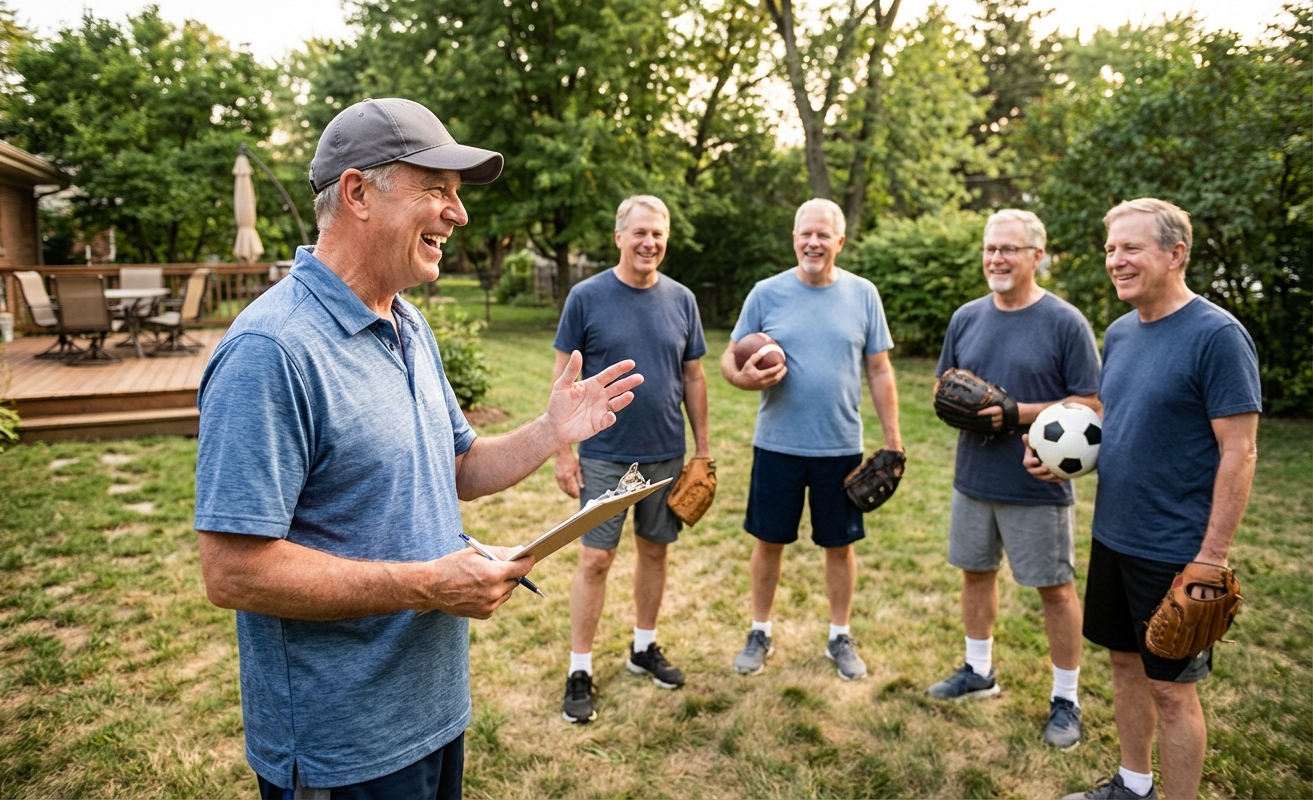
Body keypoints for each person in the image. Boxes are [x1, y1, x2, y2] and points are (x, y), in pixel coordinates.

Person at [194, 98, 643, 800]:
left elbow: (459, 466)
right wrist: (427, 585)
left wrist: (550, 431)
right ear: (357, 193)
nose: (457, 213)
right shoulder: (270, 351)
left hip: (433, 712)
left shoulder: (408, 325)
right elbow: (232, 572)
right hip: (342, 748)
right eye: (436, 189)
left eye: (456, 194)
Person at [1027, 199, 1260, 800]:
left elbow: (1240, 451)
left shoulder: (1217, 337)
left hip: (1176, 551)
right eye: (1111, 249)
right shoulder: (1121, 332)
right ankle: (1133, 786)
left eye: (1131, 248)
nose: (1116, 260)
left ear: (1176, 254)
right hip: (1114, 535)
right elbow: (1122, 423)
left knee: (1172, 691)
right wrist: (1059, 460)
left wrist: (1212, 557)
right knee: (1125, 663)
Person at [928, 210, 1102, 750]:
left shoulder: (1065, 322)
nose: (996, 259)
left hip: (1037, 482)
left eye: (1008, 249)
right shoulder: (966, 317)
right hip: (973, 477)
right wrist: (954, 403)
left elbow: (1093, 402)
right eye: (990, 249)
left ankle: (1066, 698)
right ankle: (978, 671)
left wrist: (1016, 412)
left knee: (1055, 590)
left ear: (1036, 256)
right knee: (975, 574)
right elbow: (942, 385)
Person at [721, 198, 903, 681]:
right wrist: (741, 378)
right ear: (794, 238)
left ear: (839, 241)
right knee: (768, 542)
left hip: (840, 447)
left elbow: (880, 370)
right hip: (776, 445)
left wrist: (893, 440)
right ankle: (759, 630)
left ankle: (840, 635)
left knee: (839, 546)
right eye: (806, 233)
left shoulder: (863, 294)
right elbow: (728, 357)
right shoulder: (766, 293)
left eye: (824, 234)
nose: (813, 242)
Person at [551, 195, 709, 723]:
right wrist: (563, 454)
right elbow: (563, 381)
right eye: (640, 232)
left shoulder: (683, 299)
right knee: (596, 559)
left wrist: (703, 450)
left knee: (655, 552)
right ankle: (579, 668)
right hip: (603, 453)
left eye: (658, 234)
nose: (649, 242)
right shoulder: (586, 296)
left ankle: (644, 647)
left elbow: (693, 376)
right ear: (619, 236)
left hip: (666, 452)